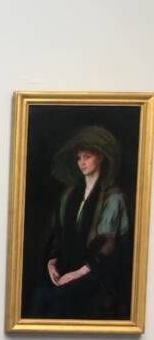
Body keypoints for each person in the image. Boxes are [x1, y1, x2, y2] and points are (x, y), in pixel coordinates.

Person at [29, 126, 130, 319]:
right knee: (39, 295)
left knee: (58, 299)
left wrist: (76, 274)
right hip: (66, 268)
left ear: (100, 157)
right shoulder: (68, 195)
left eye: (87, 156)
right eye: (79, 158)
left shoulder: (113, 197)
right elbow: (58, 234)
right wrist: (52, 262)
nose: (81, 163)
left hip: (95, 273)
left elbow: (107, 246)